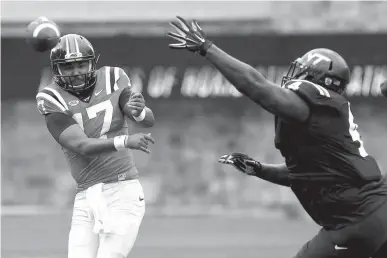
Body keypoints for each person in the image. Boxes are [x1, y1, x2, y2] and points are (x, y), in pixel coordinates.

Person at [167, 16, 387, 258]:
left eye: (302, 70)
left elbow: (256, 86)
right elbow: (305, 174)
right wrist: (259, 169)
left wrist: (207, 49)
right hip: (371, 215)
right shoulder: (326, 118)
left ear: (315, 78)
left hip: (354, 223)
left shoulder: (313, 103)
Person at [36, 33, 155, 258]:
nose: (77, 72)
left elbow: (146, 118)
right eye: (68, 67)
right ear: (57, 70)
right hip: (86, 195)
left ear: (92, 63)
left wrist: (138, 111)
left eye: (81, 65)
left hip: (123, 191)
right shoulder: (51, 97)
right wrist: (125, 141)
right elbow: (82, 146)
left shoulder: (113, 77)